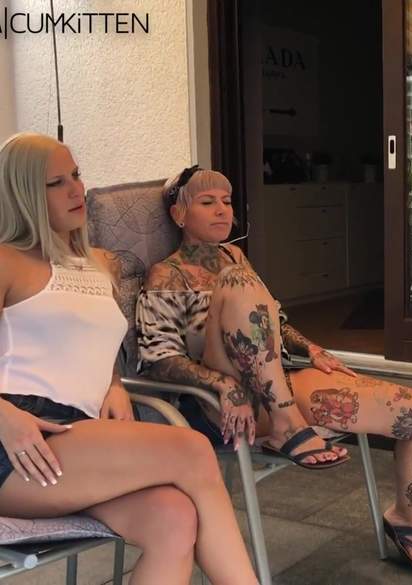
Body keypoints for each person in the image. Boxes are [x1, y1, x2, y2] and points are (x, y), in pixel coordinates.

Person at [136, 167, 412, 569]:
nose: (222, 210)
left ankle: (404, 517)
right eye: (207, 202)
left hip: (277, 385)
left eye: (226, 201)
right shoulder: (167, 274)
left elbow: (272, 323)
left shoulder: (234, 257)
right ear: (179, 214)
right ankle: (285, 427)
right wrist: (222, 383)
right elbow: (158, 359)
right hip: (220, 402)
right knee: (237, 280)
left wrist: (310, 348)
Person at [0, 133, 258, 584]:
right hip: (19, 441)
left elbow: (88, 342)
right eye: (56, 183)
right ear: (22, 194)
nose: (76, 190)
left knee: (173, 519)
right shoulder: (7, 260)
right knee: (193, 449)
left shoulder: (99, 263)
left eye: (76, 175)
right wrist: (4, 416)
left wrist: (114, 383)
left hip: (80, 436)